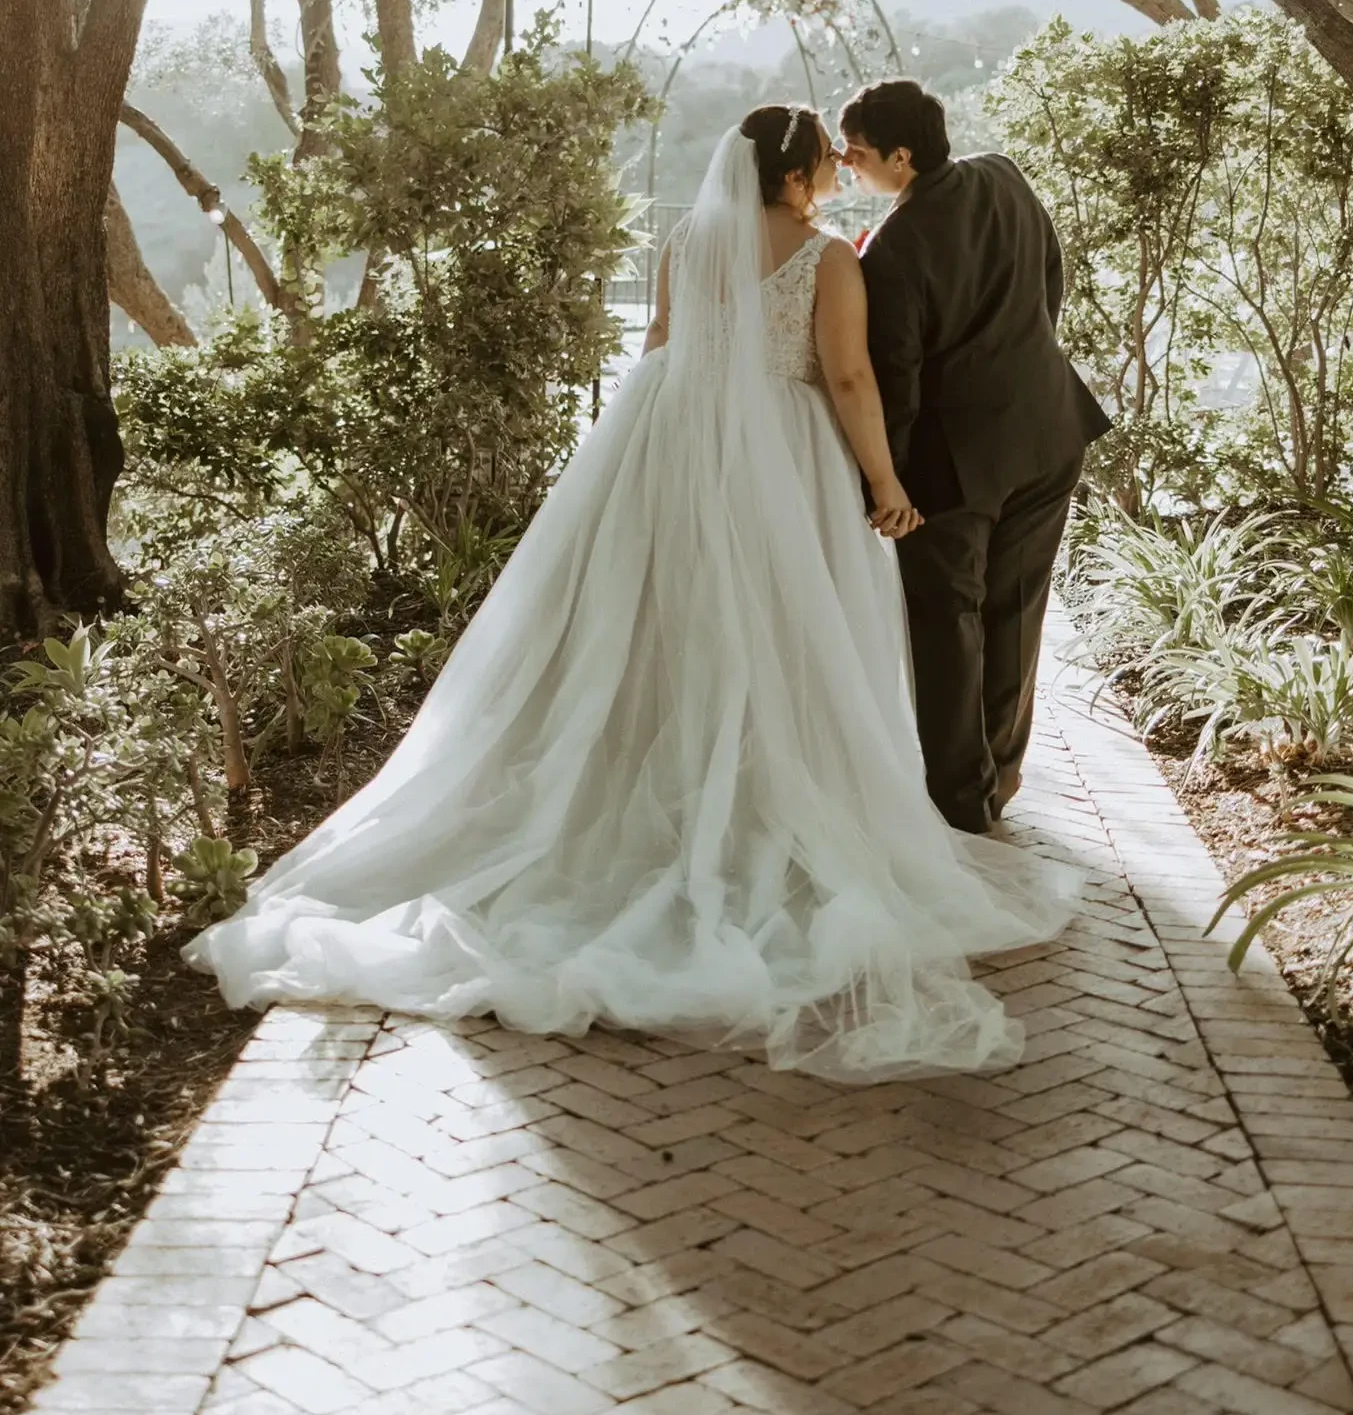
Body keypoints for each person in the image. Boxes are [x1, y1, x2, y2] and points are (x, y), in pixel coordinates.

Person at [186, 106, 1078, 1080]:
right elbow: (851, 377)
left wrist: (656, 448)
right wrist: (886, 485)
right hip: (781, 458)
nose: (833, 172)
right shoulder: (827, 262)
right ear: (791, 178)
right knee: (775, 628)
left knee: (663, 620)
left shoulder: (687, 239)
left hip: (668, 441)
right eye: (825, 160)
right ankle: (756, 795)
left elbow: (658, 341)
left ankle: (675, 784)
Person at [841, 78, 1110, 835]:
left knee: (948, 617)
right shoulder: (1004, 174)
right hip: (1048, 427)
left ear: (901, 155)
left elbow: (898, 380)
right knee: (1018, 609)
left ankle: (960, 798)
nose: (850, 166)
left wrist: (881, 481)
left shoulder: (891, 250)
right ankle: (999, 776)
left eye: (858, 155)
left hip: (955, 461)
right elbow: (1051, 280)